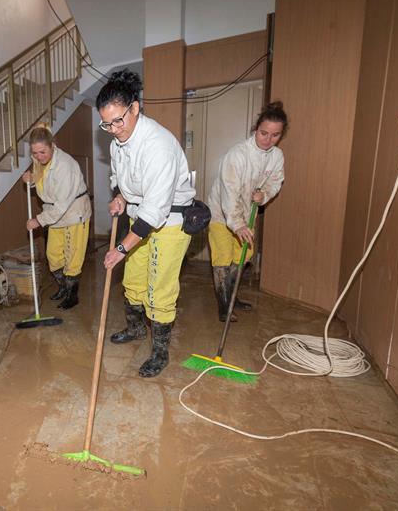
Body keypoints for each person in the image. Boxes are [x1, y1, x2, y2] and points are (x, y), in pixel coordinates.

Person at [98, 70, 196, 378]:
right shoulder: (117, 145)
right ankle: (136, 329)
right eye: (106, 123)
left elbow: (155, 209)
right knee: (134, 282)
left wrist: (121, 248)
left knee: (159, 291)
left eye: (119, 120)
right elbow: (123, 179)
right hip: (138, 216)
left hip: (169, 221)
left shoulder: (158, 144)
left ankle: (160, 351)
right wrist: (121, 196)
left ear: (135, 108)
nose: (114, 129)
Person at [208, 101, 287, 322]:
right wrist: (238, 224)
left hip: (245, 212)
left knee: (243, 255)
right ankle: (224, 308)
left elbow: (275, 181)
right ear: (256, 129)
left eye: (275, 135)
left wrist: (265, 195)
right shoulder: (238, 154)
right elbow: (230, 192)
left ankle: (231, 296)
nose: (268, 139)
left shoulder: (277, 156)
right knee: (223, 258)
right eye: (264, 133)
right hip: (221, 213)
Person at [22, 123, 92, 310]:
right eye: (35, 153)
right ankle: (63, 288)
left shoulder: (65, 166)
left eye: (42, 152)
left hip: (73, 212)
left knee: (72, 256)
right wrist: (29, 181)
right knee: (53, 255)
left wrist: (38, 220)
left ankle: (72, 295)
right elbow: (42, 183)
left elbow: (62, 203)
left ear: (52, 145)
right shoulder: (40, 161)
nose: (38, 157)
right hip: (55, 213)